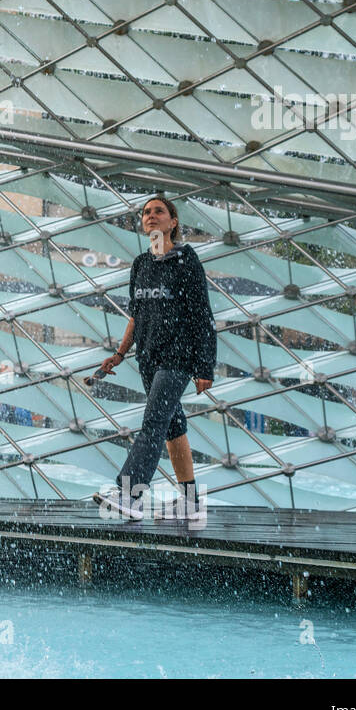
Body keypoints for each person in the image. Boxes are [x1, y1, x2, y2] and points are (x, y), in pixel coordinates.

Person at [92, 195, 215, 522]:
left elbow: (202, 315)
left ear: (173, 222)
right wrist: (119, 354)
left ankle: (130, 494)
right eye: (146, 212)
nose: (151, 216)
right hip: (148, 357)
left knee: (154, 423)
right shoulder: (141, 264)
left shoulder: (186, 261)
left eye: (159, 211)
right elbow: (136, 315)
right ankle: (190, 502)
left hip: (178, 357)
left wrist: (205, 366)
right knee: (173, 427)